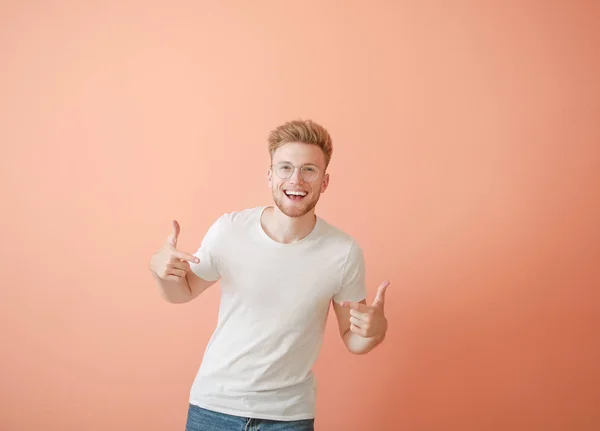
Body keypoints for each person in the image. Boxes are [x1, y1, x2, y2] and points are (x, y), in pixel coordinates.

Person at [149, 119, 390, 431]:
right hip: (214, 407)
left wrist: (376, 330)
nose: (296, 179)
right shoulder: (230, 230)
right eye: (285, 168)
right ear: (270, 175)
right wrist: (158, 270)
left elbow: (353, 339)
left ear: (324, 181)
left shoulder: (342, 252)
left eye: (309, 170)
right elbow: (181, 292)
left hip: (288, 417)